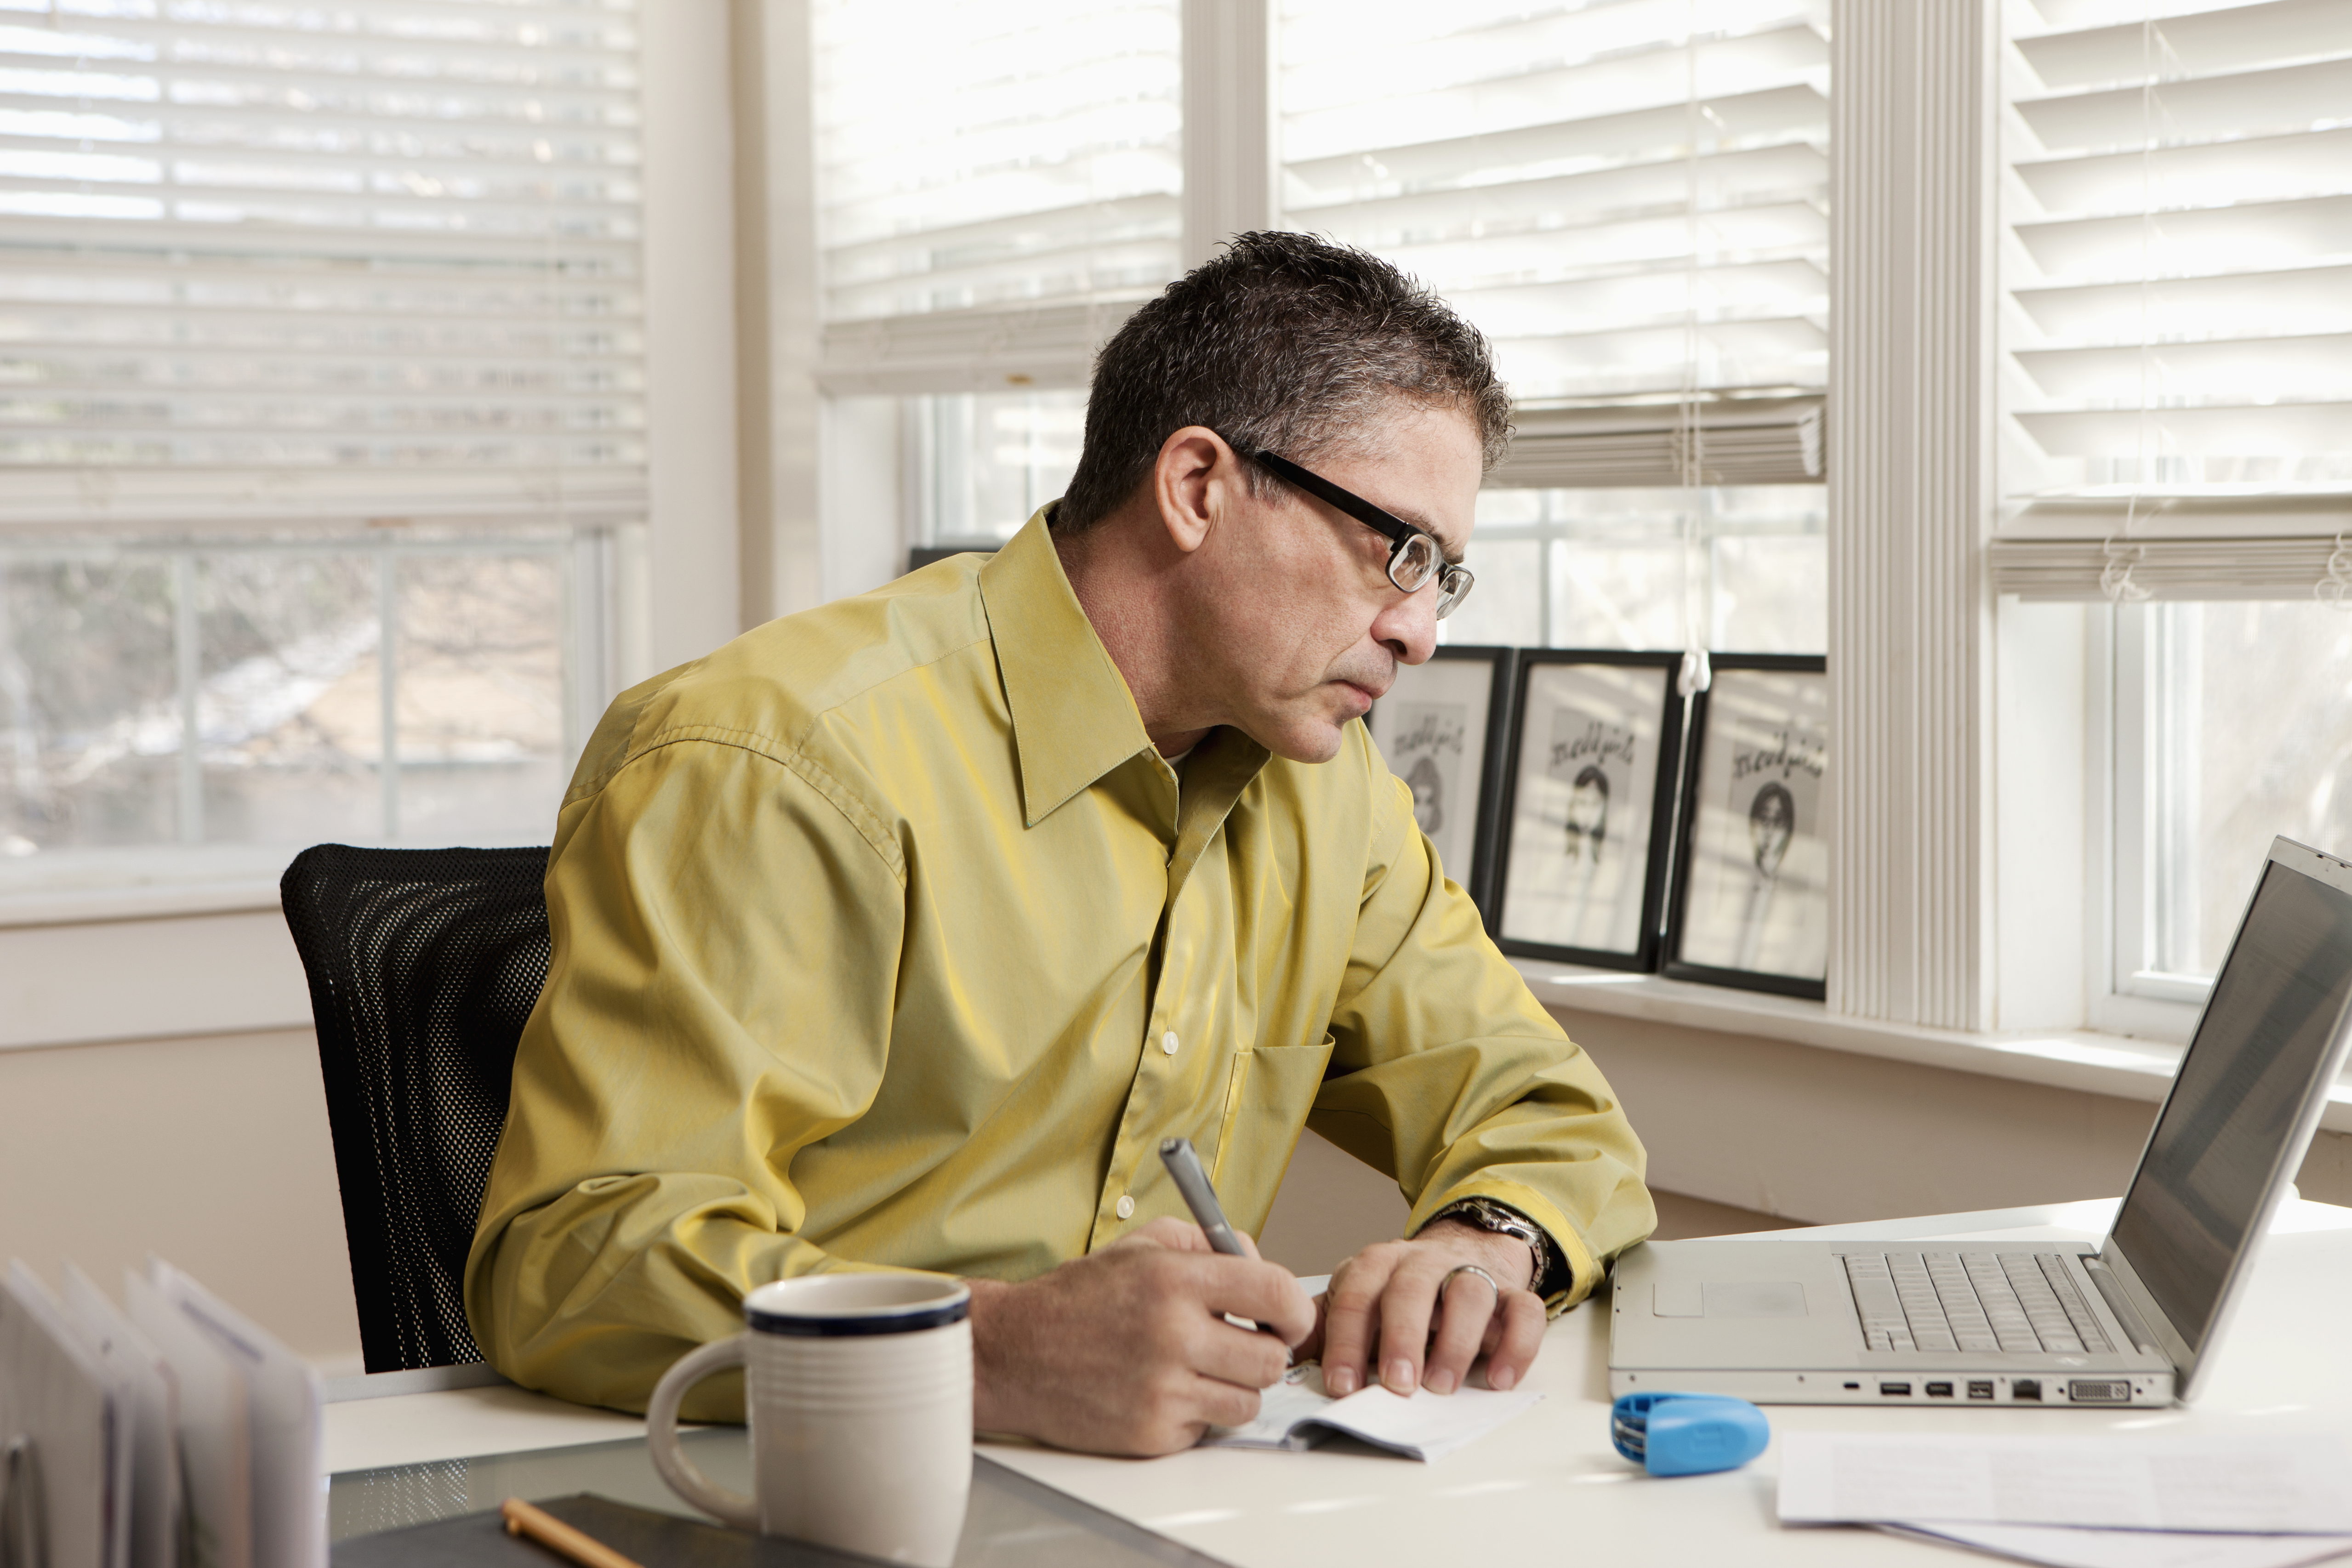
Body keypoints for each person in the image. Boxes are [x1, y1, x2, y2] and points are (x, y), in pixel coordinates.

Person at [464, 231, 1655, 1459]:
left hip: (1171, 1503)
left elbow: (1550, 1112)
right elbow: (575, 1257)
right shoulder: (776, 757)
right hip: (792, 1489)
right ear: (1197, 485)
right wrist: (989, 1348)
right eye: (1398, 551)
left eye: (1444, 576)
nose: (1419, 632)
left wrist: (1482, 1241)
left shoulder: (1326, 791)